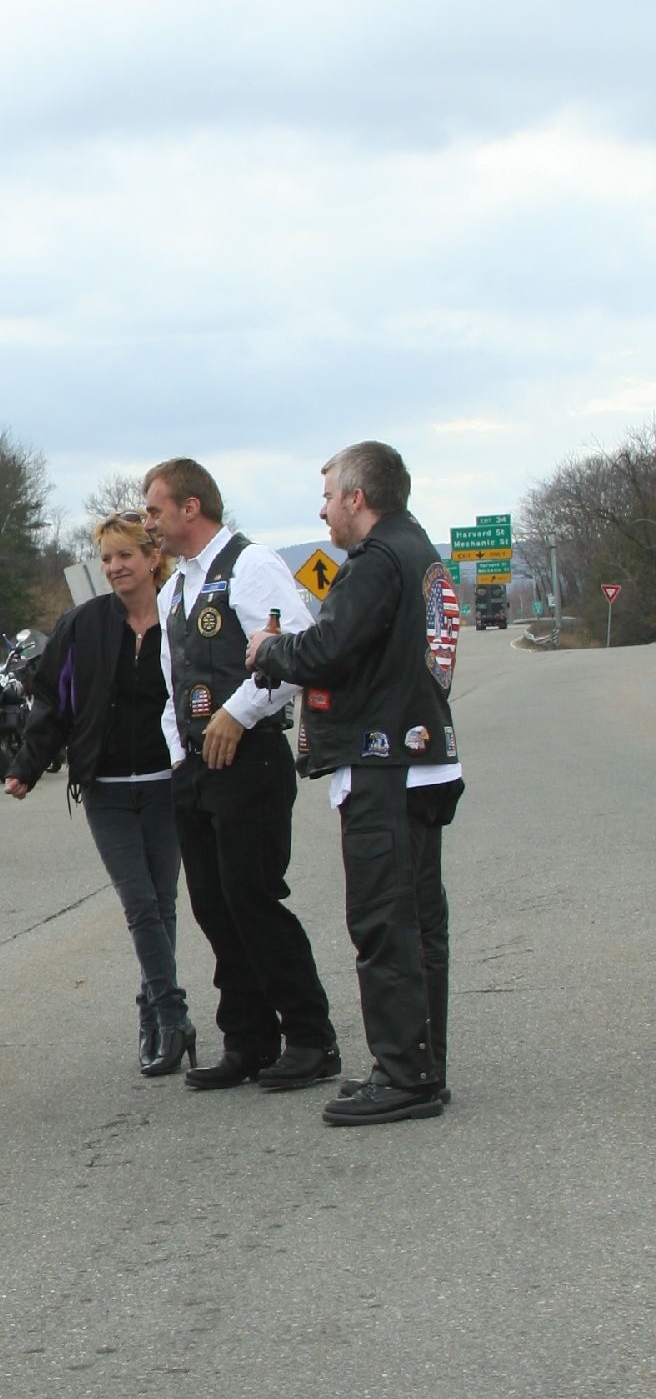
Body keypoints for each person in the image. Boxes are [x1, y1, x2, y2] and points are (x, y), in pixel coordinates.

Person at [244, 440, 463, 1127]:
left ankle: (403, 1075)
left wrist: (270, 651)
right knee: (418, 922)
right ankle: (421, 1066)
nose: (323, 510)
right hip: (420, 755)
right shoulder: (418, 551)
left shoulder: (376, 561)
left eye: (329, 495)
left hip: (385, 764)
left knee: (384, 922)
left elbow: (328, 650)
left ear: (357, 497)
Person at [141, 460, 340, 1093]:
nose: (149, 523)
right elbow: (173, 685)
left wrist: (238, 713)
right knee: (213, 907)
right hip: (195, 770)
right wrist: (179, 753)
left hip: (251, 761)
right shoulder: (174, 589)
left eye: (155, 510)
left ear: (191, 507)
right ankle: (249, 1040)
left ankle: (310, 1037)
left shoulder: (251, 566)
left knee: (253, 899)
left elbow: (297, 648)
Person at [3, 514, 194, 1076]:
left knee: (162, 902)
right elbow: (53, 702)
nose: (113, 567)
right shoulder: (81, 625)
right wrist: (27, 765)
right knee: (140, 904)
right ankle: (172, 1016)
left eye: (124, 556)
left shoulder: (182, 619)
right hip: (105, 787)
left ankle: (153, 1013)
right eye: (106, 559)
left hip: (167, 782)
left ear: (153, 558)